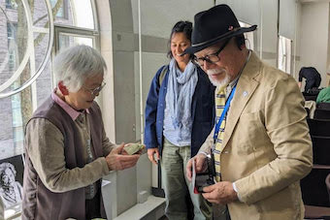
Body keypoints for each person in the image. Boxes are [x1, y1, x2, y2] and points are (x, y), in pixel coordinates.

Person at [185, 4, 313, 220]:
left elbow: (297, 159)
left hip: (267, 212)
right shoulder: (225, 83)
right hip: (230, 209)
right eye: (199, 60)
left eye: (211, 56)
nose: (205, 67)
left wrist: (236, 189)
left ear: (241, 44)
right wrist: (204, 154)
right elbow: (223, 128)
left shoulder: (276, 87)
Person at [22, 45, 141, 220]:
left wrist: (119, 151)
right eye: (91, 89)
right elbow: (57, 180)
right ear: (64, 87)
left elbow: (101, 143)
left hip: (88, 204)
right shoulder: (45, 123)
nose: (96, 95)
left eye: (99, 88)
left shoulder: (90, 107)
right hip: (52, 212)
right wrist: (107, 165)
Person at [144, 21, 215, 219]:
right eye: (174, 44)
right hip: (169, 145)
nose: (178, 49)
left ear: (192, 44)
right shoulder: (163, 75)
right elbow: (151, 109)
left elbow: (215, 113)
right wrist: (151, 143)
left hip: (197, 147)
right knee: (173, 199)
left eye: (183, 44)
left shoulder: (205, 74)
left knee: (200, 199)